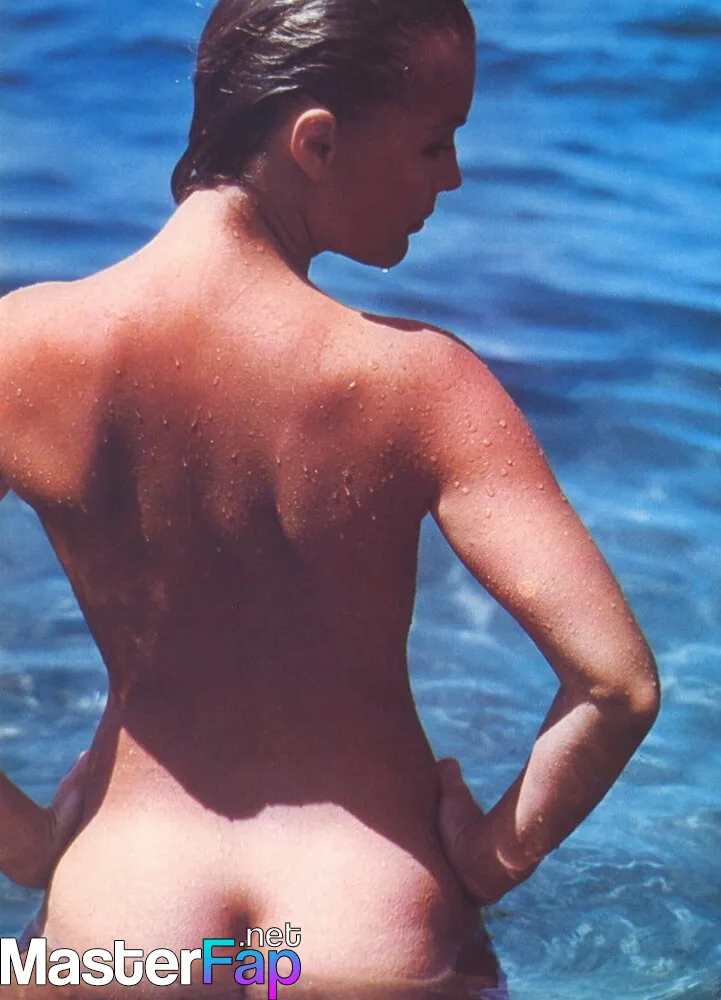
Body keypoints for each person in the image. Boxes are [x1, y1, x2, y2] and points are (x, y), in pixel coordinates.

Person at [0, 0, 660, 995]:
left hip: (124, 920)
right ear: (315, 141)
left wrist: (26, 845)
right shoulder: (422, 383)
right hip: (363, 926)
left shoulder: (23, 350)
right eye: (434, 141)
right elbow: (616, 686)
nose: (453, 176)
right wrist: (491, 859)